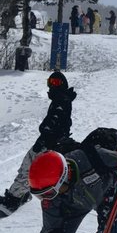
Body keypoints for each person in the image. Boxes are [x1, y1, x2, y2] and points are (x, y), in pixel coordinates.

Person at [0, 72, 78, 216]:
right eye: (51, 82)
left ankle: (13, 200)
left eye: (56, 82)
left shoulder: (61, 100)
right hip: (52, 142)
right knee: (32, 168)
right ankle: (21, 195)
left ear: (63, 85)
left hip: (48, 143)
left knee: (28, 168)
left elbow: (54, 123)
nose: (53, 85)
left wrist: (45, 135)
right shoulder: (62, 99)